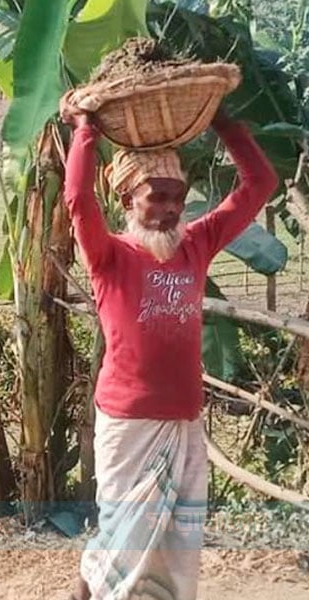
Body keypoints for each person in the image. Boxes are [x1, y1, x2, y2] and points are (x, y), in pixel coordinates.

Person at [59, 92, 278, 600]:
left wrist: (222, 118)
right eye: (156, 197)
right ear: (127, 200)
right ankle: (86, 591)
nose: (170, 208)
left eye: (177, 196)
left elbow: (260, 184)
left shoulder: (197, 244)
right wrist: (85, 130)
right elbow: (77, 200)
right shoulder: (108, 256)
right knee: (120, 535)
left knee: (172, 540)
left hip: (182, 419)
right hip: (128, 423)